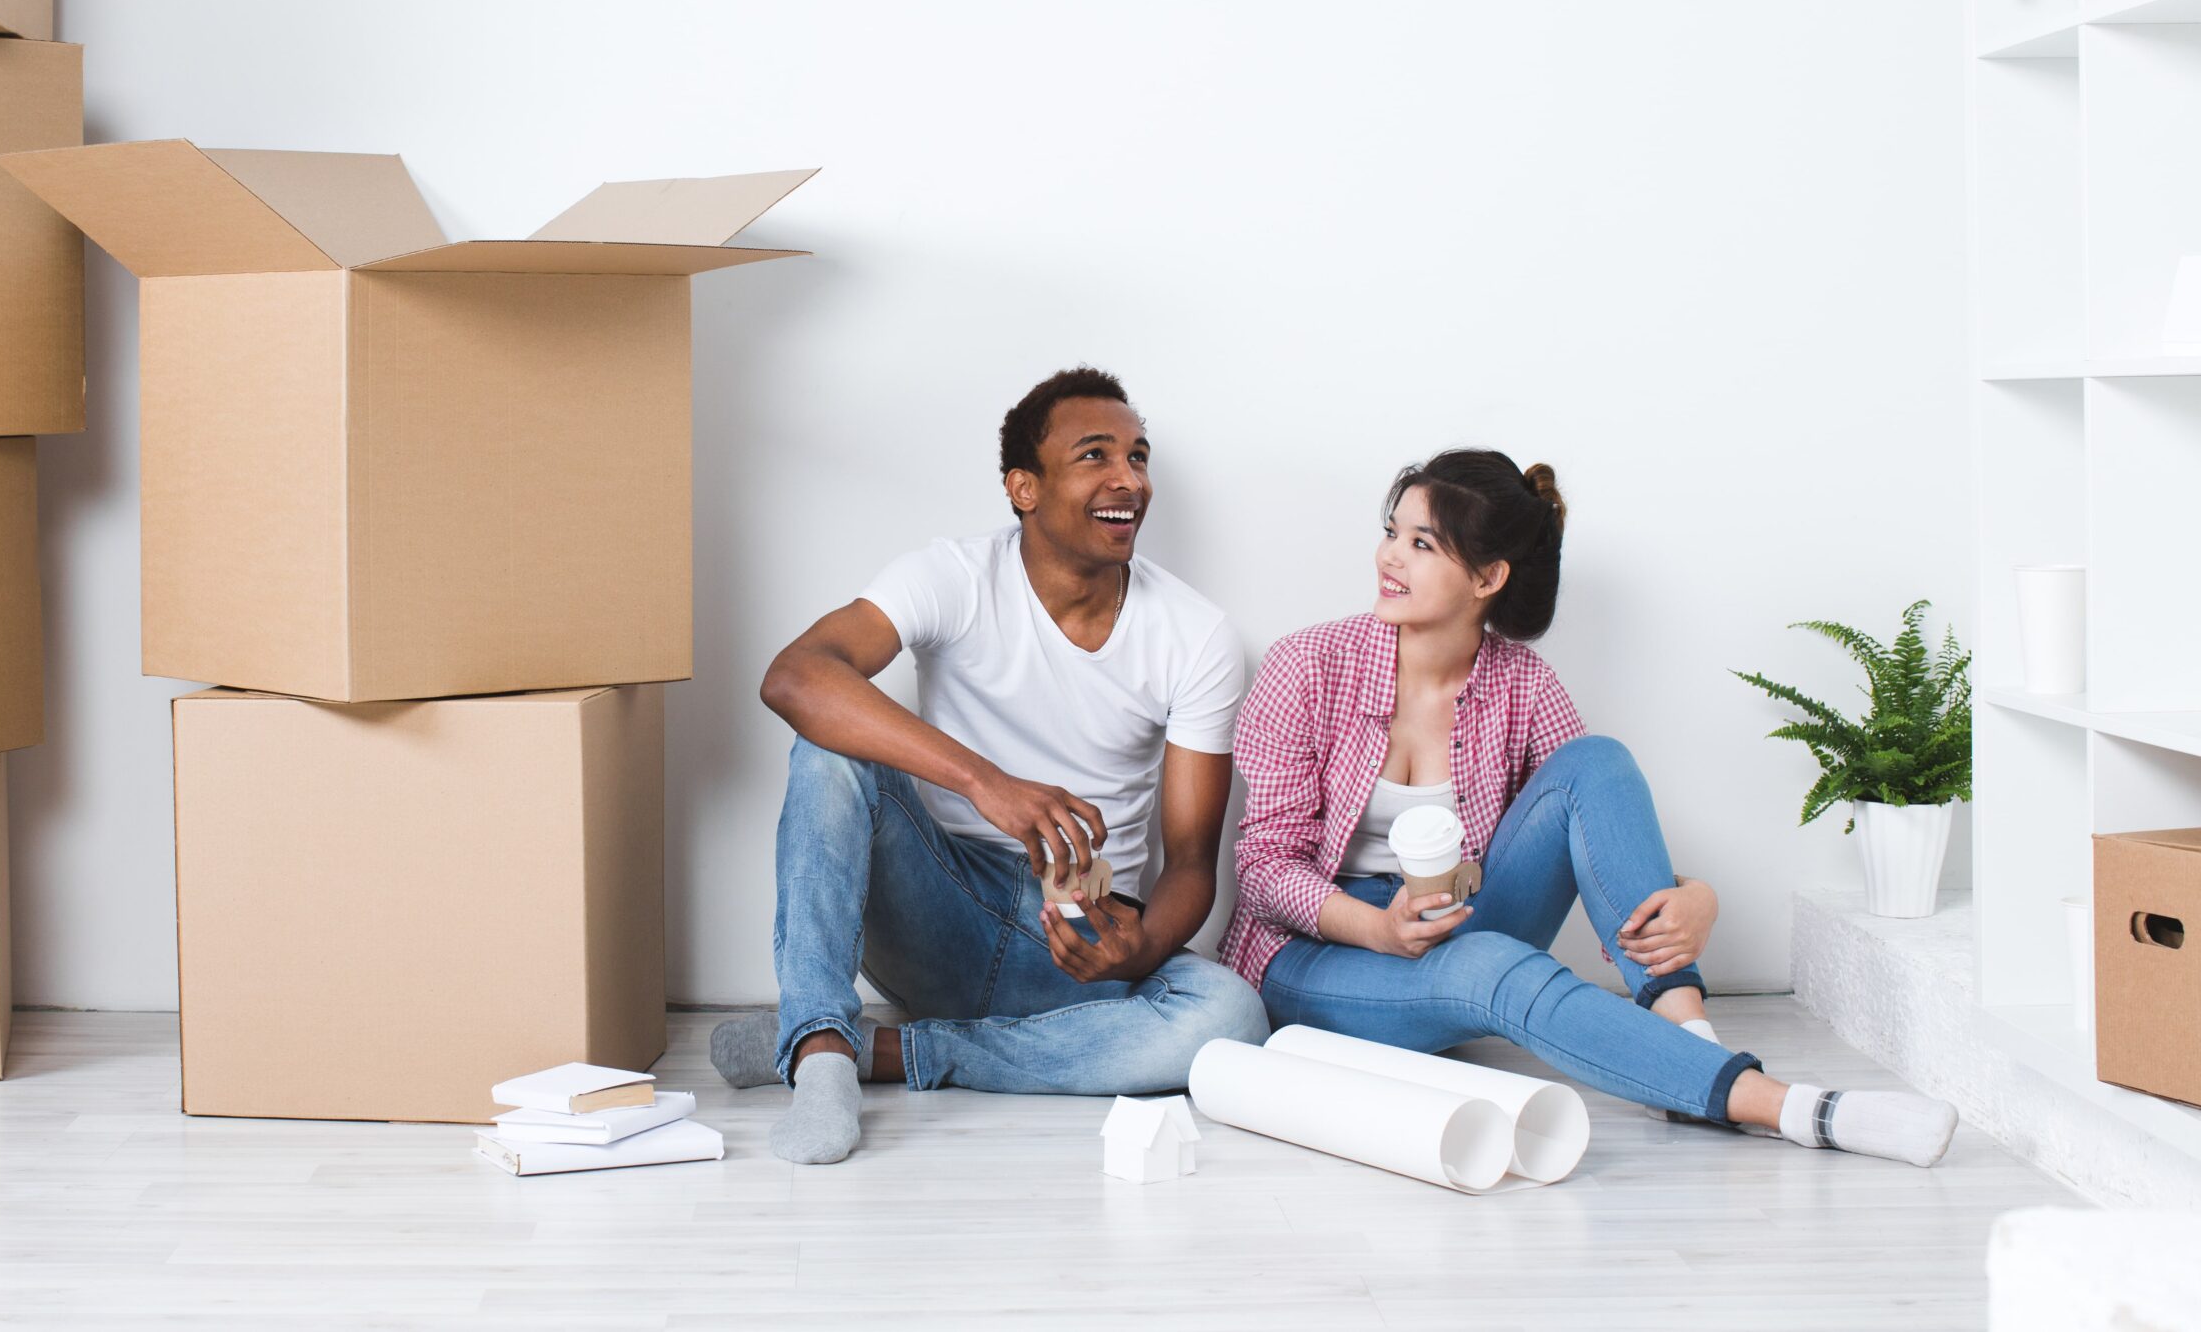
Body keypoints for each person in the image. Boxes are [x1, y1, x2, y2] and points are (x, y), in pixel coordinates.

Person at [1216, 449, 1960, 1167]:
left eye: (1421, 543)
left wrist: (1696, 894)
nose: (1390, 557)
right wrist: (1378, 926)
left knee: (1597, 762)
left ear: (1488, 576)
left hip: (1454, 921)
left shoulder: (1522, 682)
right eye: (1391, 532)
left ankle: (1687, 1036)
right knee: (1491, 967)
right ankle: (1790, 1107)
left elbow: (1600, 831)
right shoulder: (1307, 665)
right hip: (1318, 956)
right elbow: (1264, 870)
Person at [711, 366, 1270, 1164]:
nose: (1129, 479)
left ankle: (875, 1054)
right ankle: (824, 1055)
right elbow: (796, 675)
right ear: (1024, 487)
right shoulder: (955, 576)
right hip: (937, 908)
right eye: (1096, 456)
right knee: (827, 745)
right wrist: (987, 784)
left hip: (1076, 939)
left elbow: (1190, 863)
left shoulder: (1196, 633)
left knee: (1230, 1016)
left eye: (1139, 457)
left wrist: (1136, 950)